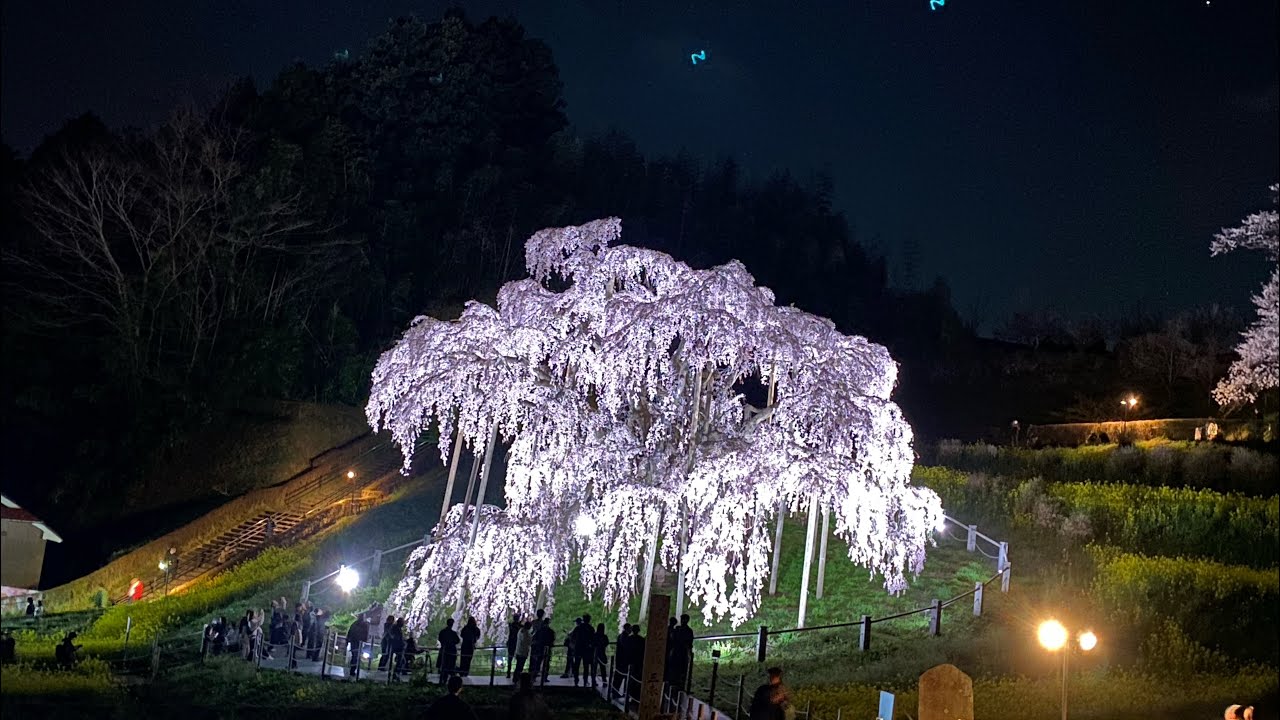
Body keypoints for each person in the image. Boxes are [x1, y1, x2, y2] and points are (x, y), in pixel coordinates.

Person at [668, 613, 695, 692]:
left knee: (678, 669)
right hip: (680, 652)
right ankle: (678, 684)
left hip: (679, 652)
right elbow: (690, 643)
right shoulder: (686, 630)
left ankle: (676, 684)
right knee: (680, 669)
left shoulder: (679, 630)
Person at [569, 613, 595, 686]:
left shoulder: (578, 628)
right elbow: (593, 639)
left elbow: (573, 637)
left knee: (577, 664)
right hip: (587, 650)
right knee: (586, 666)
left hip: (578, 648)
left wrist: (573, 646)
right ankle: (585, 680)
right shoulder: (590, 628)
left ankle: (576, 679)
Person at [438, 617, 462, 684]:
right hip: (451, 651)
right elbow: (457, 641)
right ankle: (451, 681)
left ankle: (443, 680)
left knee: (444, 665)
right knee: (451, 665)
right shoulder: (453, 633)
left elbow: (440, 639)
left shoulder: (442, 632)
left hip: (444, 650)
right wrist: (452, 643)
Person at [346, 613, 370, 679]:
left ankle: (352, 668)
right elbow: (366, 633)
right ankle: (352, 670)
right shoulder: (365, 625)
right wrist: (365, 640)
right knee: (356, 656)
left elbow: (350, 632)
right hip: (358, 642)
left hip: (355, 641)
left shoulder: (355, 624)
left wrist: (348, 640)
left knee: (355, 656)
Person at [592, 622, 609, 688]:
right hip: (602, 653)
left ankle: (594, 681)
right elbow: (606, 643)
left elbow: (592, 643)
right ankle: (604, 681)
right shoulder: (604, 636)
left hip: (595, 654)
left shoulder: (594, 635)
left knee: (594, 669)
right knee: (603, 669)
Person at [505, 614, 522, 678]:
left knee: (510, 658)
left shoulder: (512, 625)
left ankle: (509, 673)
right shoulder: (518, 626)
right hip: (516, 644)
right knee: (517, 658)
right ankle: (515, 673)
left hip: (512, 643)